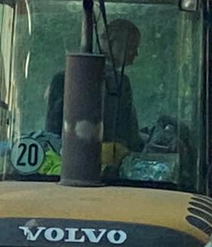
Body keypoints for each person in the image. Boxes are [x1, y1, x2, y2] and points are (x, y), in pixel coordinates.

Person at [45, 18, 144, 154]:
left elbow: (51, 133)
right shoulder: (119, 82)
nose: (135, 54)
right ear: (110, 43)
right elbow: (128, 136)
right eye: (131, 47)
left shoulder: (60, 79)